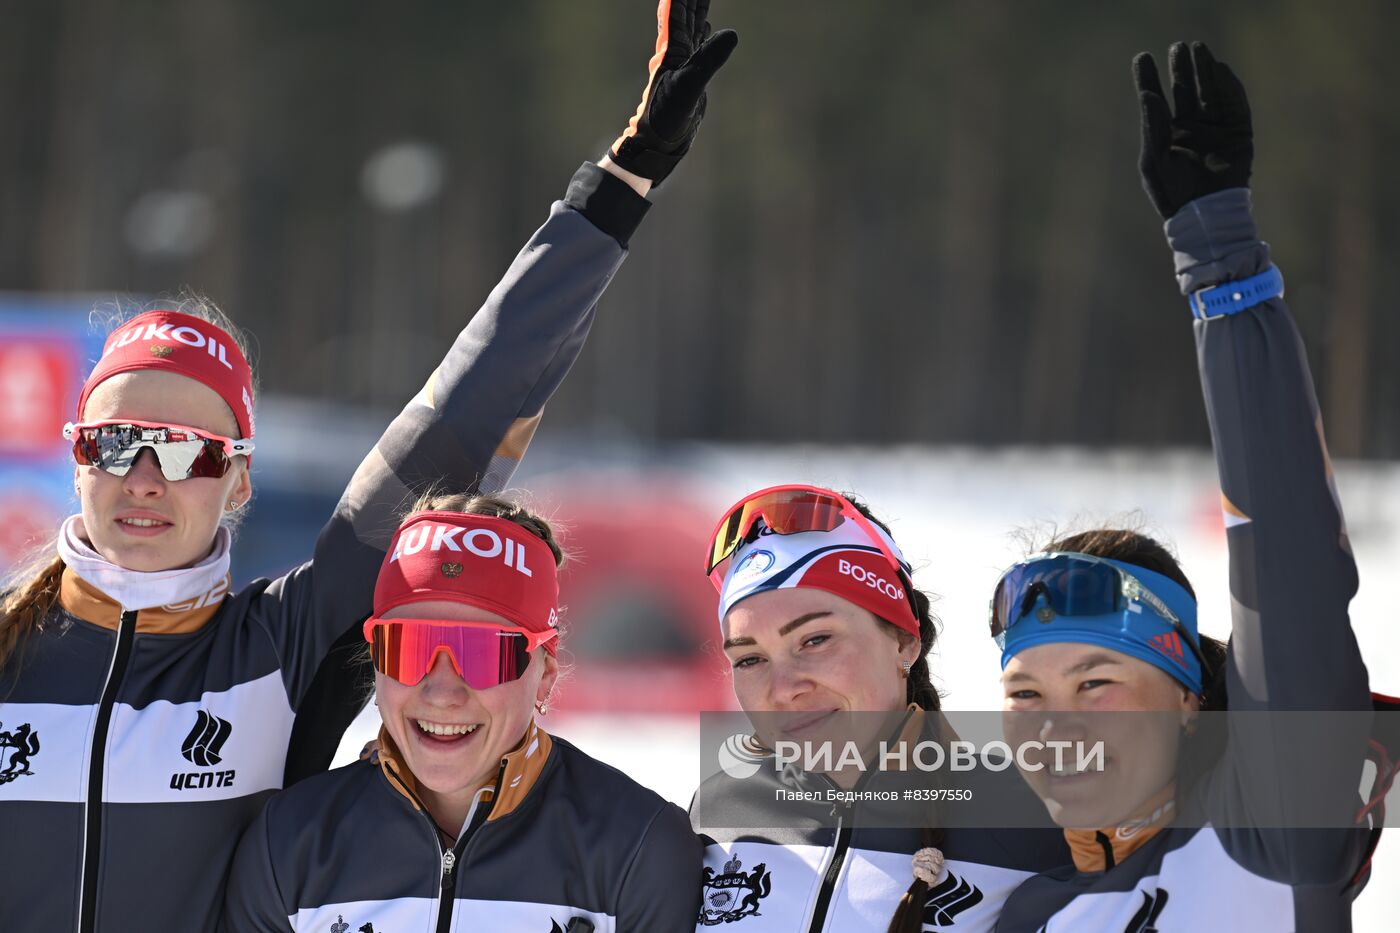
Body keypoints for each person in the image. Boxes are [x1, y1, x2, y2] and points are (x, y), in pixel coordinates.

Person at [0, 0, 733, 925]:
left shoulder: (281, 648)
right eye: (116, 443)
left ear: (239, 481)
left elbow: (467, 407)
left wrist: (620, 184)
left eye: (189, 452)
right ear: (76, 457)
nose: (146, 475)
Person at [989, 43, 1375, 931]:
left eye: (1098, 684)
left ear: (1188, 702)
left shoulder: (1269, 836)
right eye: (1026, 696)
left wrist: (1221, 262)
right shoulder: (1022, 912)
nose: (1059, 727)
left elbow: (1287, 558)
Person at [223, 494, 704, 930]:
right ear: (376, 663)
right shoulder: (287, 845)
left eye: (483, 654)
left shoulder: (639, 846)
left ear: (546, 673)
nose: (442, 691)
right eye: (408, 648)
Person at [692, 484, 1069, 932]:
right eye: (750, 659)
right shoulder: (718, 811)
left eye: (815, 640)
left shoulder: (1033, 817)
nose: (783, 689)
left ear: (904, 642)